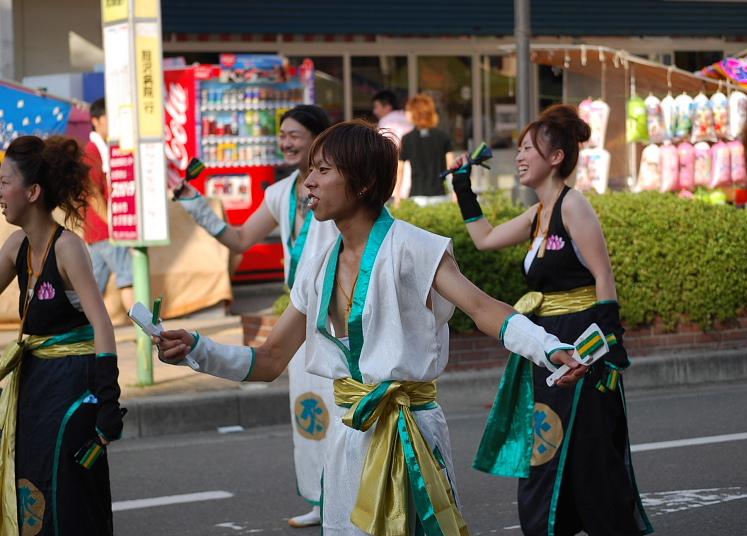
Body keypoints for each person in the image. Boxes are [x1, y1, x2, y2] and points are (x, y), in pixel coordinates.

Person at [154, 119, 588, 535]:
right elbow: (269, 360)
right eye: (310, 171)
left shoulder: (413, 247)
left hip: (411, 433)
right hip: (347, 436)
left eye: (323, 171)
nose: (309, 183)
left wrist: (547, 347)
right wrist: (195, 347)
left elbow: (482, 307)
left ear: (362, 184)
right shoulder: (317, 267)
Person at [450, 104, 652, 535]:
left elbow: (602, 275)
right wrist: (464, 188)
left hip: (582, 347)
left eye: (528, 148)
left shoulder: (572, 205)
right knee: (544, 446)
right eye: (519, 148)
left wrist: (609, 349)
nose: (519, 156)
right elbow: (484, 240)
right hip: (546, 346)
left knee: (590, 453)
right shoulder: (537, 214)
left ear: (556, 157)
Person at [172, 104, 338, 528]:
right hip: (299, 316)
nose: (285, 142)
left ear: (319, 139)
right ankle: (321, 498)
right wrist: (194, 204)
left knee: (343, 409)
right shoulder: (282, 192)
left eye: (295, 134)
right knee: (309, 410)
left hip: (338, 317)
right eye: (282, 134)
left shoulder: (342, 188)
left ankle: (350, 493)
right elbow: (241, 238)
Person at [0, 135, 124, 534]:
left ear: (32, 191)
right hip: (33, 386)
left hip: (72, 390)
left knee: (67, 490)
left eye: (4, 182)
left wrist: (108, 398)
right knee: (29, 480)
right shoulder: (15, 245)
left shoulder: (68, 248)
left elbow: (102, 324)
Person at [82, 98, 134, 310]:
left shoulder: (99, 149)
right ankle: (146, 332)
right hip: (105, 231)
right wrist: (113, 224)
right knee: (129, 279)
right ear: (96, 120)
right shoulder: (93, 151)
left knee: (92, 289)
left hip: (95, 231)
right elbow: (93, 193)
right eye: (109, 117)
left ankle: (77, 331)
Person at [396, 94, 455, 204]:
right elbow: (452, 166)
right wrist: (456, 192)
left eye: (408, 111)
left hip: (417, 196)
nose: (406, 114)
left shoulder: (407, 139)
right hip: (441, 195)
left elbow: (400, 169)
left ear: (415, 113)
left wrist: (397, 196)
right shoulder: (443, 136)